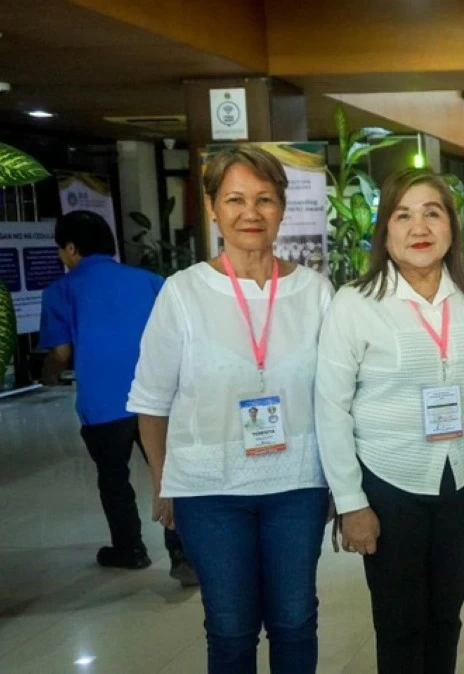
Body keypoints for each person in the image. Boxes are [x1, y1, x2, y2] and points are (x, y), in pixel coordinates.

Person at [127, 145, 333, 674]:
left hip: (298, 485)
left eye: (264, 199)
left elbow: (338, 397)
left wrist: (341, 481)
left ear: (282, 207)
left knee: (295, 621)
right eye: (235, 199)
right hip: (209, 492)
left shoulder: (315, 292)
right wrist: (163, 481)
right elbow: (152, 401)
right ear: (212, 207)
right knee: (231, 627)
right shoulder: (182, 293)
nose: (250, 212)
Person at [315, 168, 464, 673]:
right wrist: (351, 502)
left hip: (463, 474)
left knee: (446, 615)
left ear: (451, 226)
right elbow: (331, 407)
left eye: (432, 213)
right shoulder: (355, 303)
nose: (419, 227)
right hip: (388, 479)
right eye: (403, 215)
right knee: (400, 622)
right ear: (385, 230)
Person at [39, 210, 195, 585]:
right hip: (158, 398)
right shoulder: (149, 281)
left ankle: (130, 550)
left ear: (71, 249)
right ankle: (183, 555)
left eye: (61, 249)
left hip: (103, 404)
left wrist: (48, 376)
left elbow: (60, 352)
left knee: (113, 479)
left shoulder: (60, 291)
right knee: (169, 474)